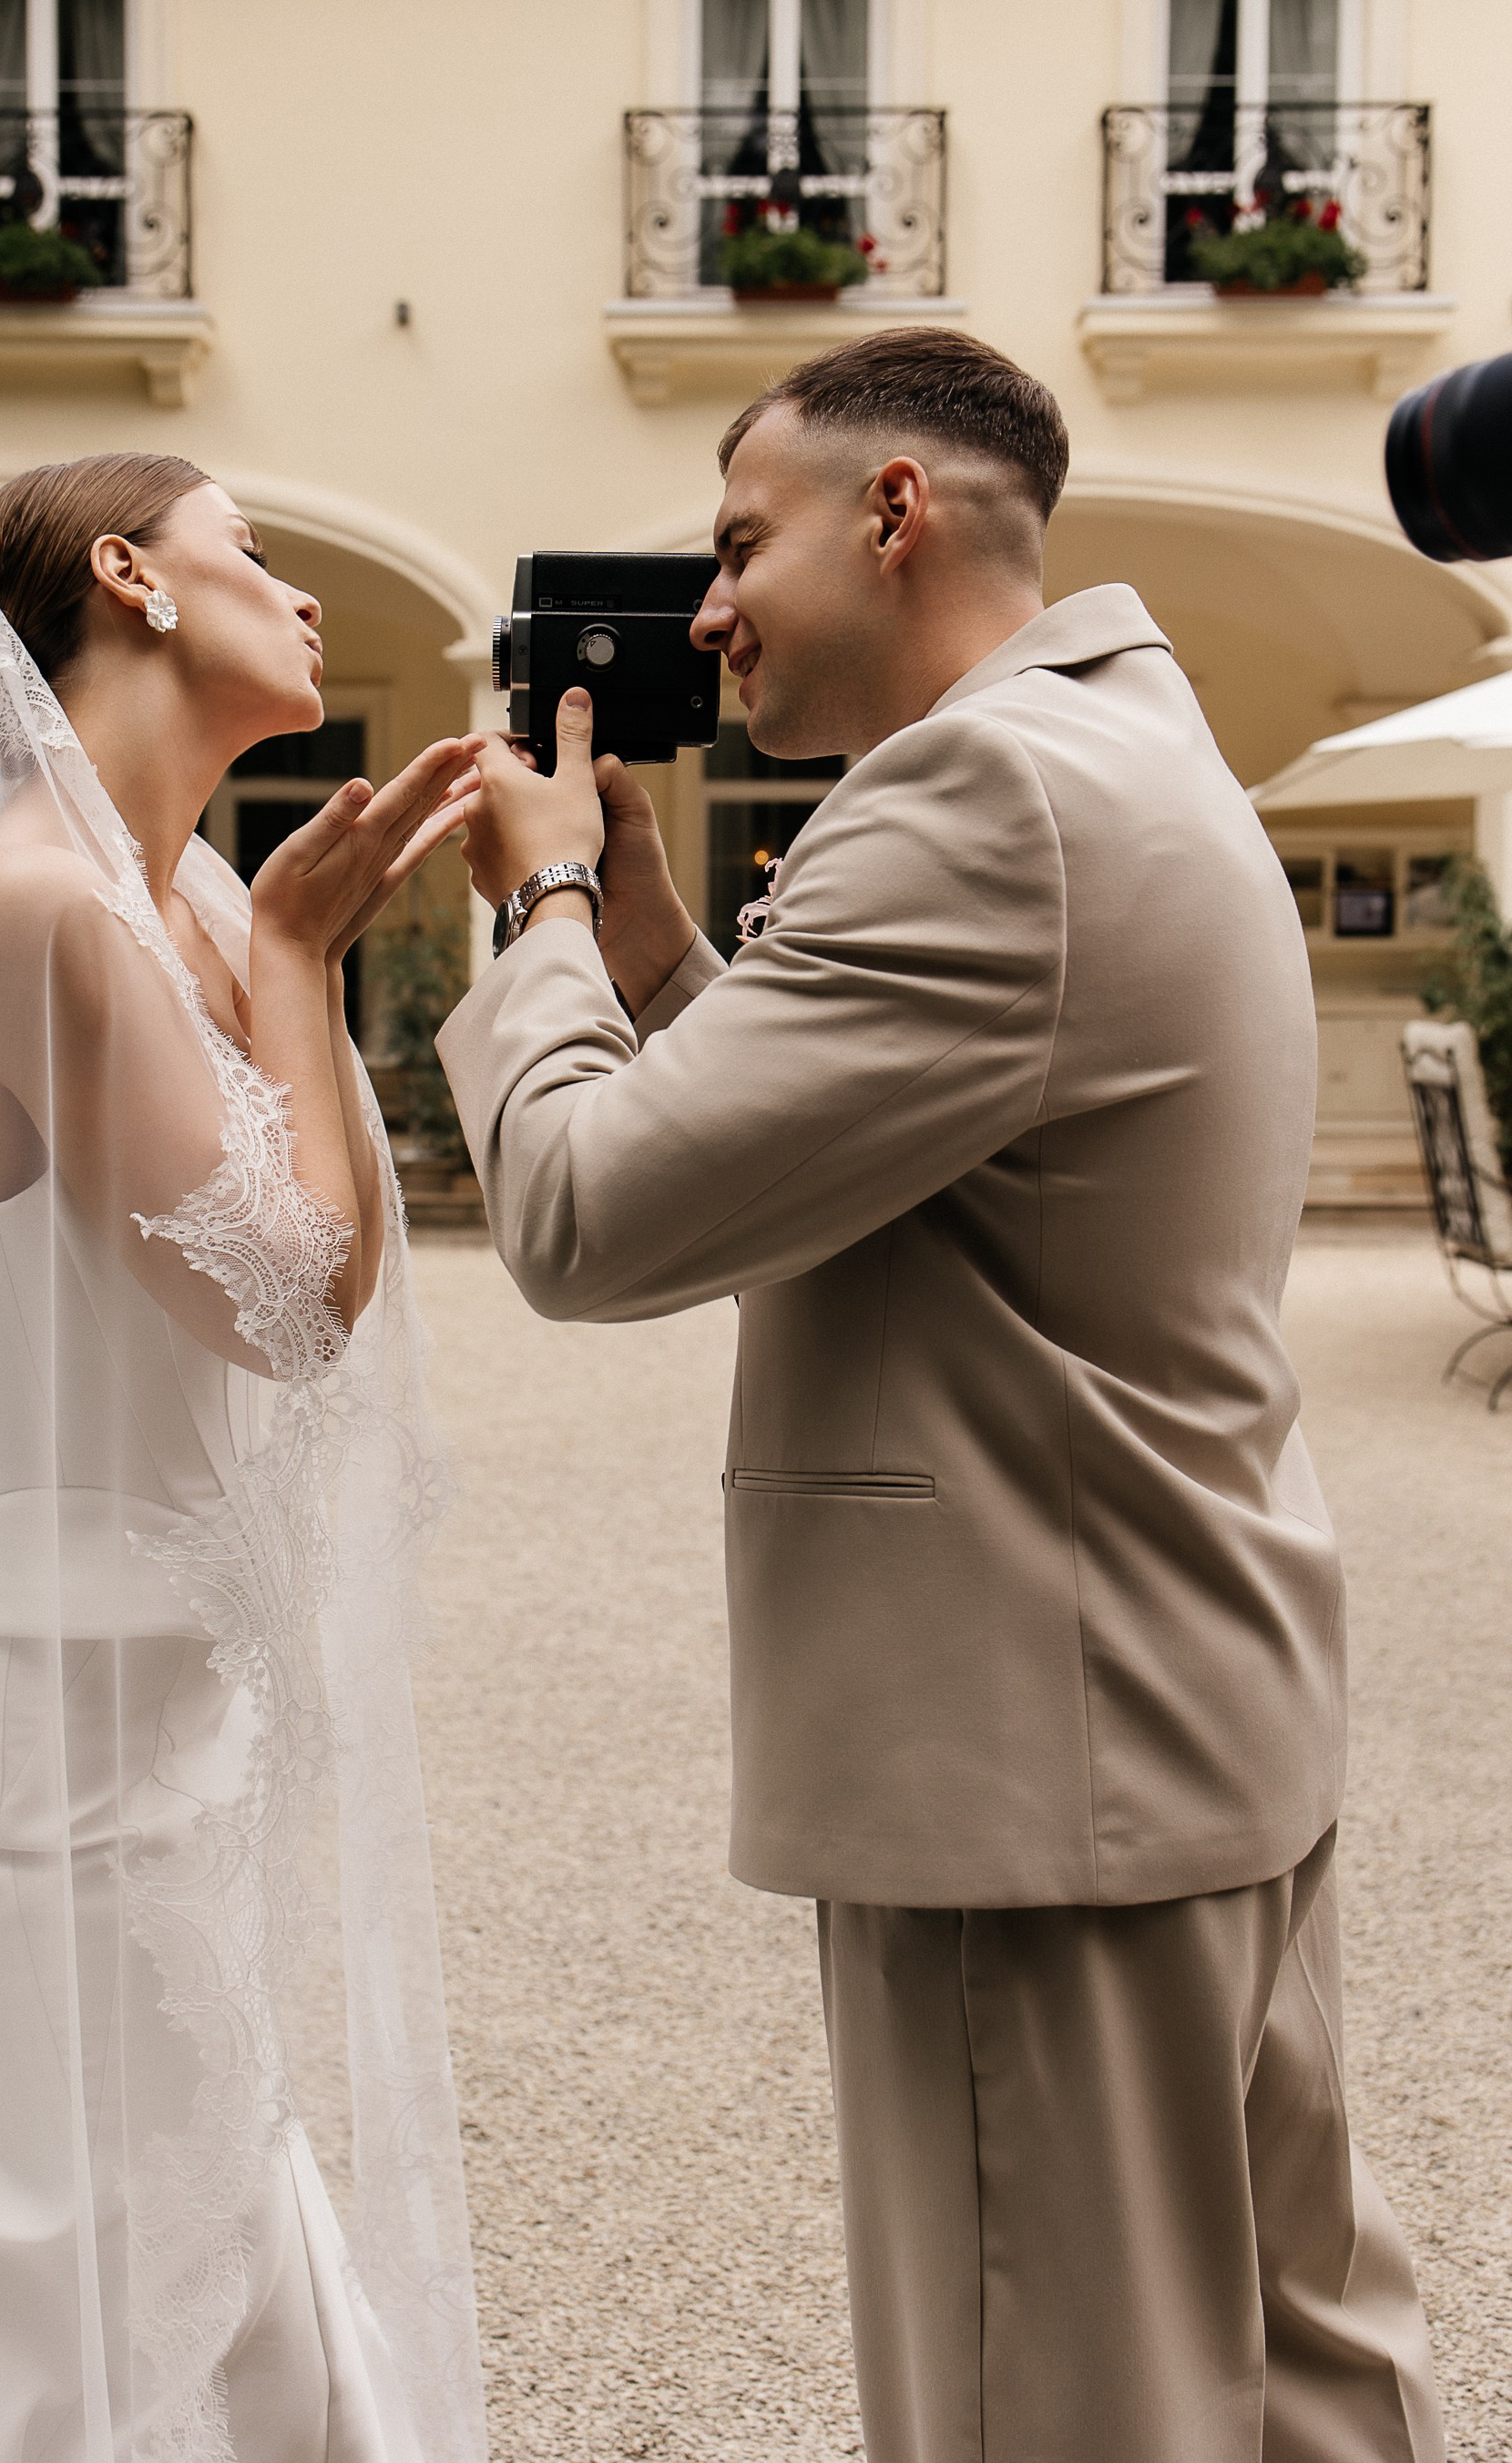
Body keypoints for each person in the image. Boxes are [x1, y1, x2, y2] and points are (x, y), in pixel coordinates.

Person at [438, 329, 1446, 2461]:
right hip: (1182, 1714)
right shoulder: (1126, 750)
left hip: (1029, 1775)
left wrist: (528, 905)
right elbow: (912, 1163)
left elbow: (589, 1217)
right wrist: (640, 953)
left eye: (734, 544)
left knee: (1046, 2409)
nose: (701, 611)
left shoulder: (973, 794)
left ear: (891, 511)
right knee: (1288, 2374)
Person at [0, 456, 488, 2463]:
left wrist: (271, 944)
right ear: (125, 579)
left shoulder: (177, 897)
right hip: (31, 1685)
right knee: (82, 2216)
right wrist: (305, 974)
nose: (303, 599)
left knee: (162, 2169)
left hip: (153, 1663)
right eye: (254, 555)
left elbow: (303, 1282)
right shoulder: (36, 905)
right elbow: (290, 1299)